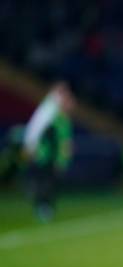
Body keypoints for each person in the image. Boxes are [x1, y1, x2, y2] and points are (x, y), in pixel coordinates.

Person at [22, 82, 74, 222]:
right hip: (45, 156)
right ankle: (43, 206)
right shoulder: (49, 113)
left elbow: (65, 142)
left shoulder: (62, 120)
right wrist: (31, 147)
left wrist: (63, 157)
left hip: (52, 157)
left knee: (51, 183)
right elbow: (37, 128)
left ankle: (46, 206)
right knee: (45, 182)